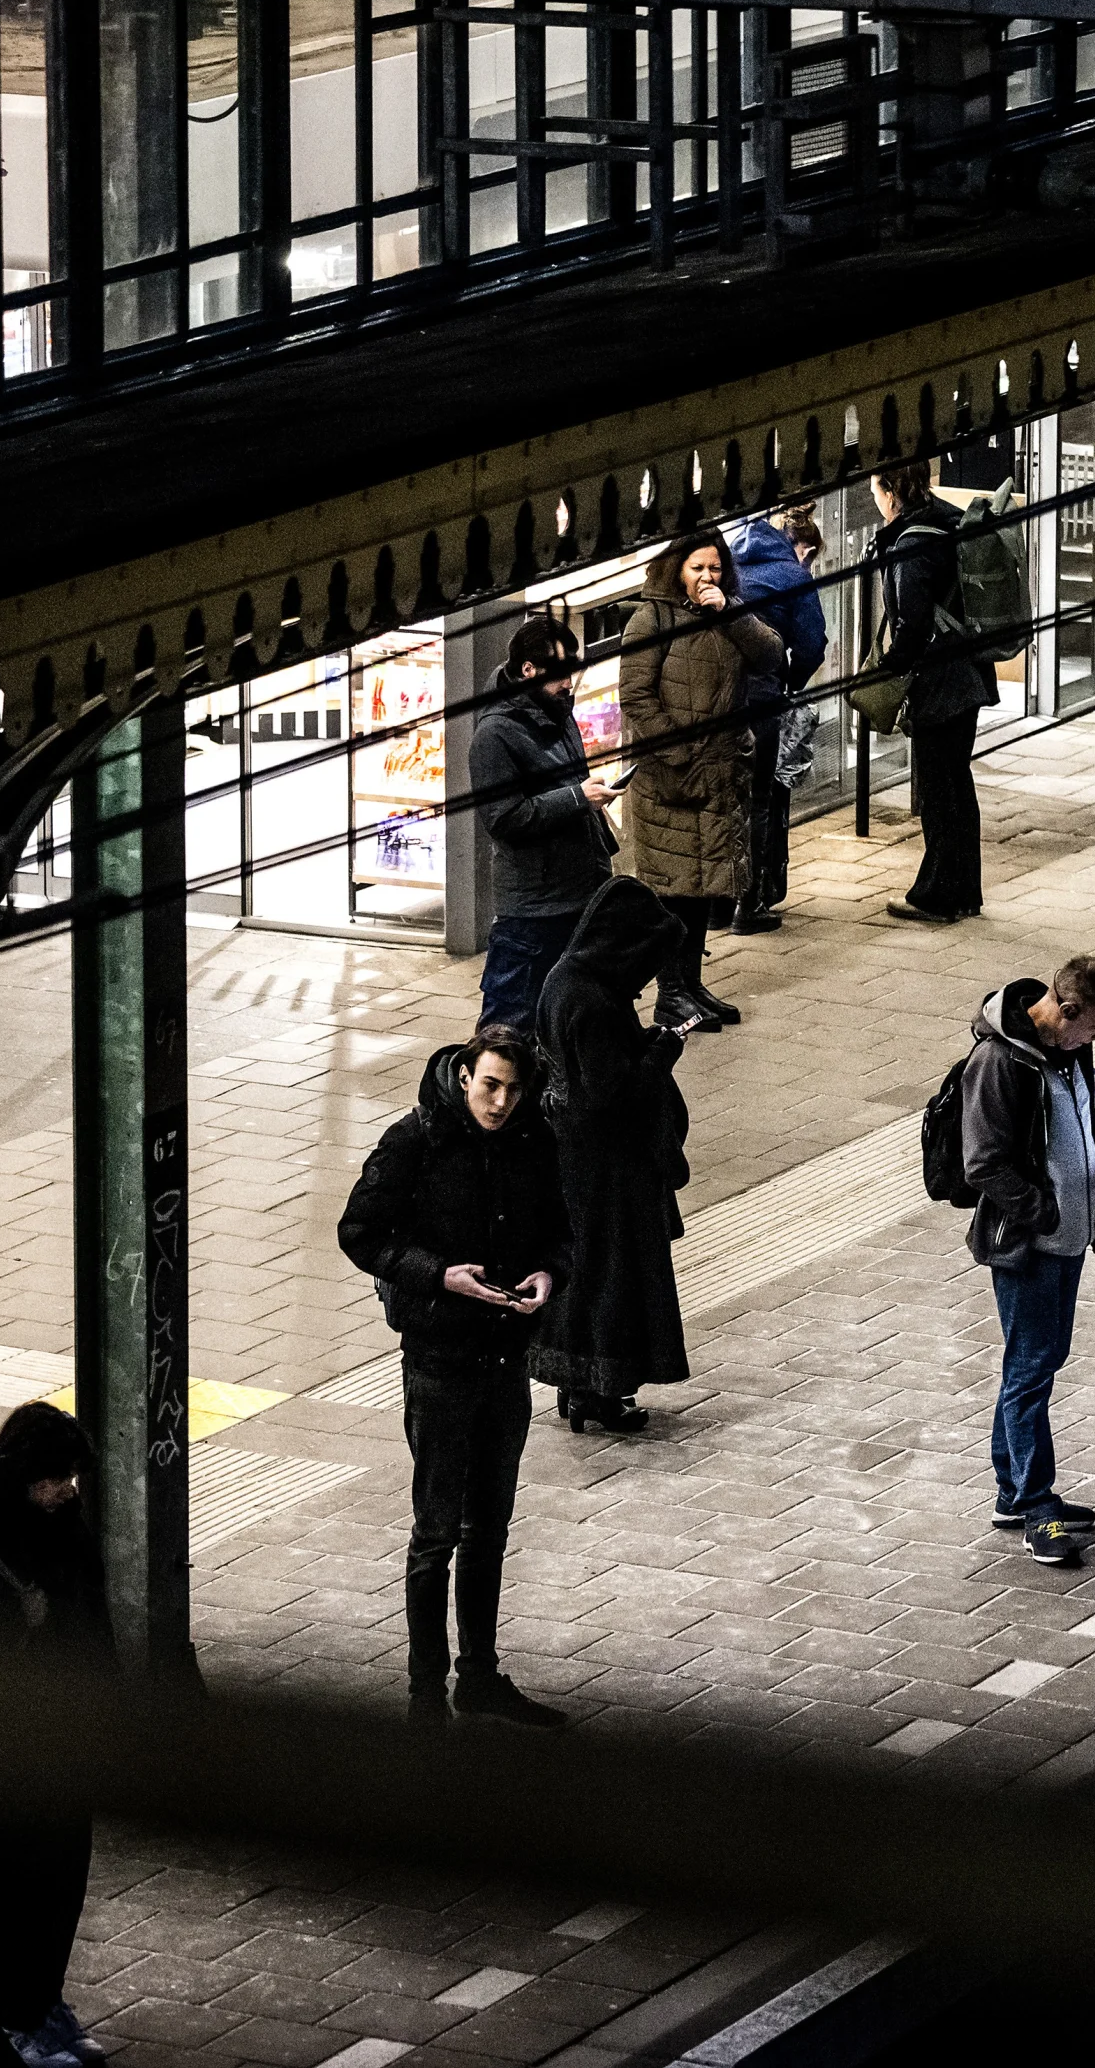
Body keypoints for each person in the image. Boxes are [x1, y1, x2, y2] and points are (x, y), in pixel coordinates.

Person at [336, 1027, 569, 1725]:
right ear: (465, 1074)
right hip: (438, 1358)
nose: (500, 1102)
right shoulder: (416, 1139)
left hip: (504, 1357)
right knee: (436, 1529)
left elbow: (563, 1229)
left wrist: (549, 1274)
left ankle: (479, 1677)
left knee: (489, 1527)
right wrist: (438, 1276)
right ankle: (424, 1696)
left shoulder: (535, 1140)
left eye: (514, 1089)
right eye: (490, 1084)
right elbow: (359, 1233)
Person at [0, 1400, 114, 2068]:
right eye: (53, 1477)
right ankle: (15, 2016)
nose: (65, 1488)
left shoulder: (67, 1528)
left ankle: (43, 2002)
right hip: (4, 1756)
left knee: (64, 1881)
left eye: (70, 1476)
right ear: (22, 1474)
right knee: (17, 1884)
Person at [958, 953, 1095, 1563]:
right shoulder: (998, 1063)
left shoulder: (1067, 1053)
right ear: (1065, 1011)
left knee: (1035, 1361)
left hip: (1067, 1237)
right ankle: (1036, 1505)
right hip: (1030, 1244)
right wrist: (1044, 1212)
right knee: (1031, 1368)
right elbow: (983, 1162)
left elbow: (1077, 1123)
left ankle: (1014, 1492)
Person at [529, 878, 692, 1434]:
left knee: (588, 1271)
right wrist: (666, 1045)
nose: (646, 979)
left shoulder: (566, 979)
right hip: (609, 1167)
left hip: (579, 1161)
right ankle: (602, 1391)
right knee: (615, 1276)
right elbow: (611, 1095)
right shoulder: (592, 1000)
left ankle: (580, 1385)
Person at [614, 526, 779, 1032]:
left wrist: (726, 610)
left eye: (714, 567)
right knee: (673, 893)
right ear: (676, 570)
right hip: (672, 783)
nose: (707, 576)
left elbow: (771, 654)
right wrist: (680, 752)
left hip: (719, 778)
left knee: (704, 889)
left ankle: (691, 985)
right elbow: (636, 697)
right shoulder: (651, 619)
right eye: (697, 568)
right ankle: (670, 996)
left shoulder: (727, 613)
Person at [467, 613, 615, 1032]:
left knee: (576, 1022)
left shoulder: (559, 710)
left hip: (580, 892)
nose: (569, 681)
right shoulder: (494, 736)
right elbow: (504, 818)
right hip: (532, 910)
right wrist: (577, 797)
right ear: (528, 670)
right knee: (509, 1030)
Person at [874, 459, 999, 925]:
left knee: (939, 790)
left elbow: (914, 624)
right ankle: (965, 891)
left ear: (890, 492)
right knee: (956, 786)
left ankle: (936, 896)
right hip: (968, 672)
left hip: (941, 682)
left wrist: (889, 670)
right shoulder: (947, 520)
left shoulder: (913, 543)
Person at [722, 504, 827, 934]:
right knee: (757, 800)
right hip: (761, 696)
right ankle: (748, 905)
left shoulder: (728, 560)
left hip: (716, 698)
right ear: (799, 546)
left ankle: (713, 904)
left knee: (721, 797)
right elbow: (812, 644)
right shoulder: (793, 576)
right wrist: (791, 681)